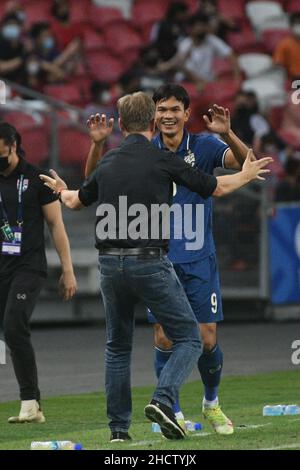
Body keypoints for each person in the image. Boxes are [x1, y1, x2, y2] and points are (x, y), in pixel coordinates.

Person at [42, 92, 272, 441]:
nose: (167, 116)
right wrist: (246, 175)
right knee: (188, 338)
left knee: (120, 347)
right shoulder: (160, 159)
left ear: (120, 124)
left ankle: (121, 430)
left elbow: (80, 197)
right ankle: (167, 401)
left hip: (114, 265)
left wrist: (62, 192)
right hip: (151, 261)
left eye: (174, 109)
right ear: (152, 121)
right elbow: (218, 187)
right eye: (161, 110)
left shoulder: (116, 159)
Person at [0, 122, 77, 424]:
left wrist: (67, 270)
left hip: (28, 267)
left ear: (14, 145)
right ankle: (30, 403)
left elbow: (56, 226)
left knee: (14, 324)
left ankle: (30, 402)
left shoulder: (37, 179)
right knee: (9, 332)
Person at [158, 14, 240, 90]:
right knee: (184, 69)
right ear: (191, 29)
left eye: (204, 25)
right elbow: (179, 63)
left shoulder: (211, 40)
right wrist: (166, 66)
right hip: (187, 83)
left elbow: (232, 56)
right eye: (199, 25)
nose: (202, 28)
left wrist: (237, 80)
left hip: (207, 84)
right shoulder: (185, 44)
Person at [273, 11, 300, 81]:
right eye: (297, 23)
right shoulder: (284, 44)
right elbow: (278, 65)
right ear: (291, 26)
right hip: (294, 79)